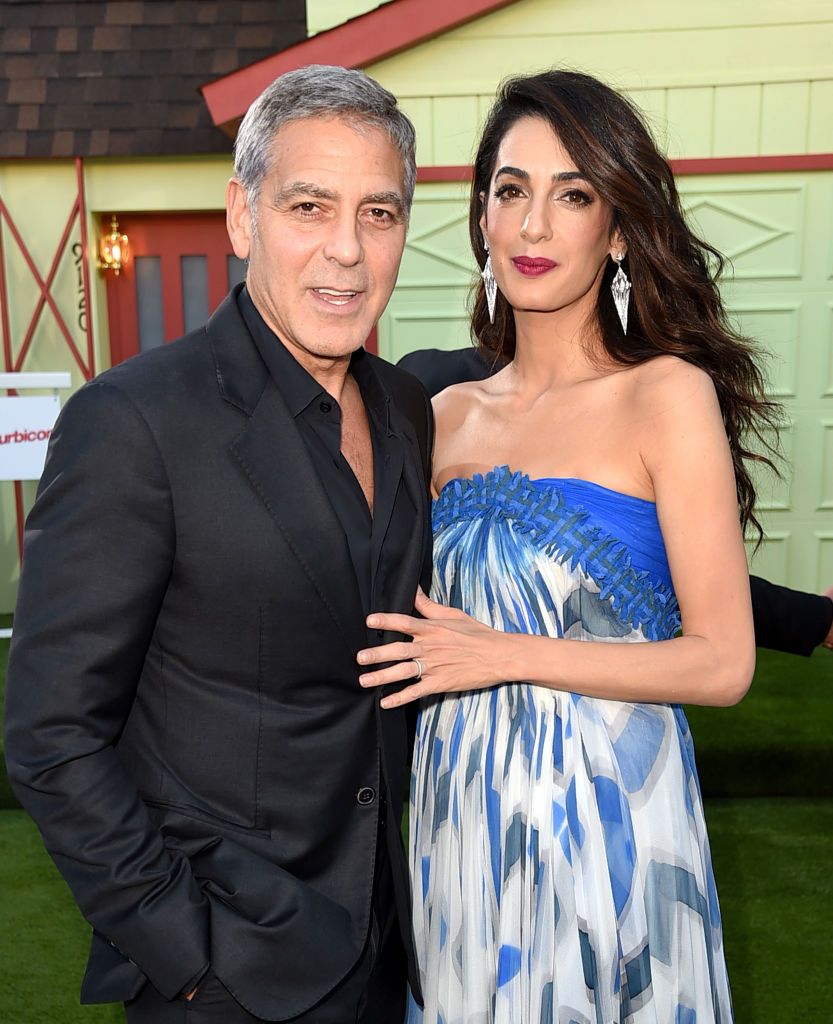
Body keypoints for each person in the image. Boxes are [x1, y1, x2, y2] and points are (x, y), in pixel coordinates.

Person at [3, 66, 431, 1023]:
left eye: (379, 213)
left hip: (391, 951)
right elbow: (50, 734)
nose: (348, 253)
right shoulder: (133, 423)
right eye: (309, 207)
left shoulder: (404, 406)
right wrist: (182, 949)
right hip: (229, 969)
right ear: (242, 217)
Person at [358, 70, 783, 1022]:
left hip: (608, 821)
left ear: (620, 229)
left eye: (573, 194)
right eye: (511, 190)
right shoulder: (438, 419)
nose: (535, 226)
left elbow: (721, 664)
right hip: (460, 814)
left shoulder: (664, 396)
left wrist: (502, 656)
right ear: (480, 218)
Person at [398, 345, 833, 656]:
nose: (535, 229)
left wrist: (814, 618)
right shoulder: (429, 392)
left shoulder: (659, 395)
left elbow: (638, 570)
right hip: (447, 749)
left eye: (573, 207)